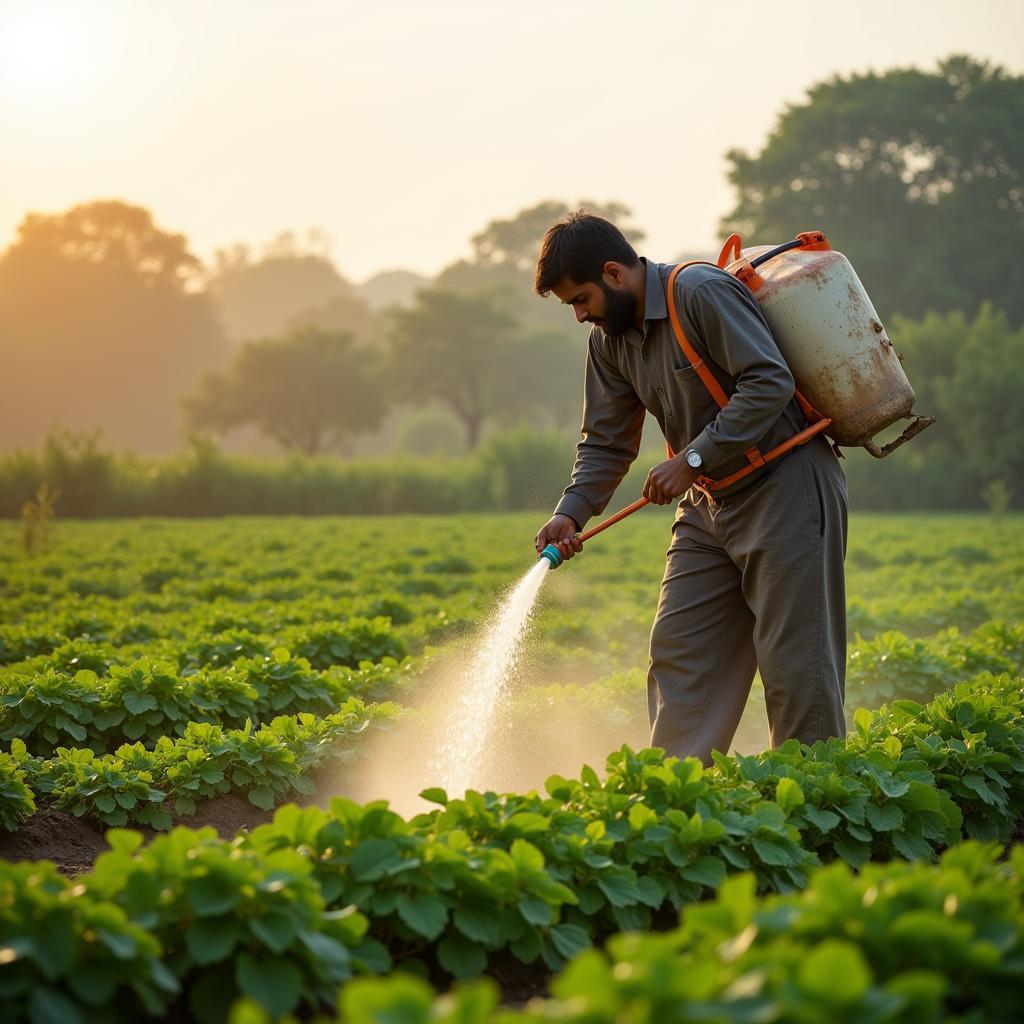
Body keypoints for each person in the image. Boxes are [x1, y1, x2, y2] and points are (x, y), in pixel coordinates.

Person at [532, 211, 848, 765]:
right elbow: (606, 443)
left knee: (796, 665)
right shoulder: (610, 344)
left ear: (613, 273)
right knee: (680, 649)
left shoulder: (699, 293)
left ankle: (817, 812)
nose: (580, 315)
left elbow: (768, 379)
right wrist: (571, 513)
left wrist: (694, 455)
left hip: (785, 485)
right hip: (707, 504)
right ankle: (679, 808)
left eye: (580, 299)